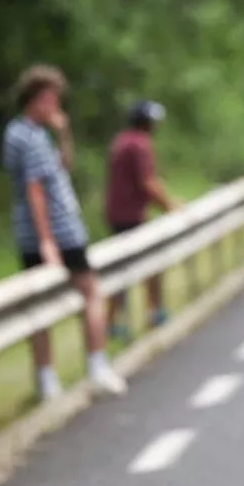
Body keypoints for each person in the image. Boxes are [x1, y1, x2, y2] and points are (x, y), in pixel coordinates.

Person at [2, 64, 128, 400]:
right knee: (90, 292)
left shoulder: (26, 133)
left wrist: (63, 133)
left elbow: (61, 169)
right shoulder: (27, 136)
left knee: (40, 305)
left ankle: (47, 380)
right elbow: (35, 190)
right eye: (53, 100)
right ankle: (96, 366)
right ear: (40, 98)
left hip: (38, 231)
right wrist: (47, 240)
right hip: (58, 231)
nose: (56, 106)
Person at [105, 100, 177, 338]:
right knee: (150, 263)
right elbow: (147, 182)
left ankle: (114, 320)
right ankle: (154, 311)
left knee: (119, 269)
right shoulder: (139, 145)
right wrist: (170, 205)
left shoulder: (121, 141)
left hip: (116, 212)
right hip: (131, 215)